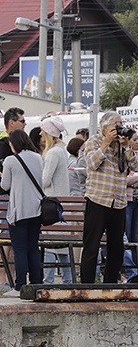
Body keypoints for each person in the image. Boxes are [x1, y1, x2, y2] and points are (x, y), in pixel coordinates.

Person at [81, 112, 138, 284]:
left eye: (121, 124)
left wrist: (126, 146)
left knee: (116, 249)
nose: (120, 128)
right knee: (92, 247)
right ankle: (87, 287)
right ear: (105, 128)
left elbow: (134, 166)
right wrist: (106, 143)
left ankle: (110, 285)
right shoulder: (94, 141)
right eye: (117, 125)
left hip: (118, 202)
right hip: (98, 200)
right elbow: (92, 164)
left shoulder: (121, 145)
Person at [1, 130, 44, 296]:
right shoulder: (37, 157)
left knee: (19, 250)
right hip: (36, 210)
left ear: (14, 144)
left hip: (19, 211)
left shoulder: (10, 160)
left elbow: (5, 185)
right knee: (33, 248)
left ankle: (19, 286)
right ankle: (35, 283)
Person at [40, 116, 72, 285]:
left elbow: (45, 180)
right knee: (63, 246)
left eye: (43, 131)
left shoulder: (52, 153)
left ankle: (48, 281)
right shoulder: (62, 150)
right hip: (62, 204)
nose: (40, 134)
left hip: (51, 204)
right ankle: (68, 280)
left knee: (50, 244)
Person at [124, 130, 138, 247]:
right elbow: (123, 179)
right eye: (134, 140)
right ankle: (127, 264)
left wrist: (135, 180)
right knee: (126, 235)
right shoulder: (121, 155)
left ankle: (137, 264)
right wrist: (137, 178)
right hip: (127, 200)